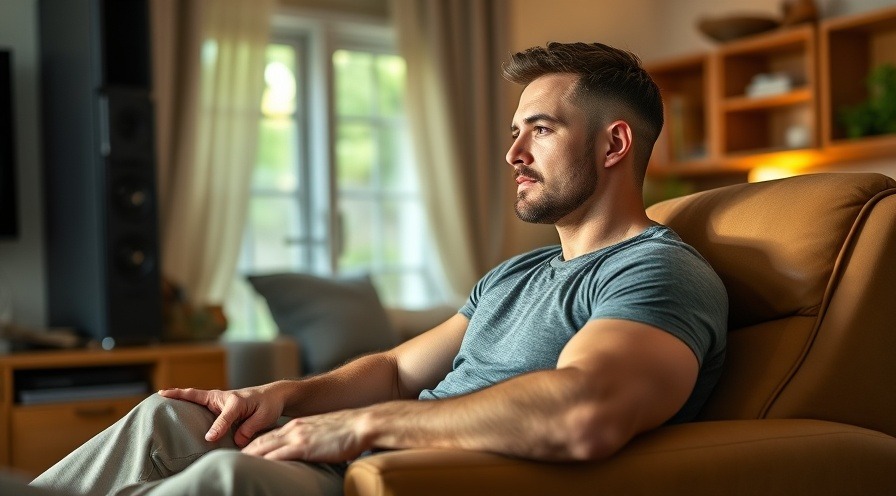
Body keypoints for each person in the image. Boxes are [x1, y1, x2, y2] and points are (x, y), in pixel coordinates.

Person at [24, 41, 727, 495]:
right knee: (166, 418)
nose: (513, 153)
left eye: (539, 130)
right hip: (361, 454)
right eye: (513, 132)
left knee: (225, 480)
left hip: (412, 476)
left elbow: (585, 412)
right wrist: (287, 396)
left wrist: (359, 428)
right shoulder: (517, 275)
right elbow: (395, 369)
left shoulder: (655, 272)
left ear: (614, 144)